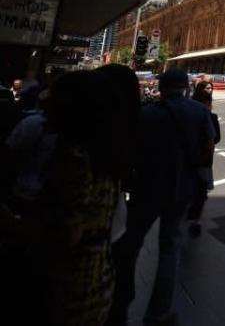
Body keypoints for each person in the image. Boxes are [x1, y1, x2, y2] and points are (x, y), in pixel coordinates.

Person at [4, 70, 134, 326]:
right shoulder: (105, 151)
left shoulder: (76, 159)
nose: (47, 105)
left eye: (54, 100)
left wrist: (12, 224)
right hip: (95, 281)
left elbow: (65, 232)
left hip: (66, 288)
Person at [111, 68, 215, 326]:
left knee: (130, 246)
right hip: (181, 189)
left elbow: (129, 152)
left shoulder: (145, 114)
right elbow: (208, 150)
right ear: (185, 87)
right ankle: (158, 313)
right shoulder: (200, 112)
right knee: (170, 248)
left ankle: (119, 304)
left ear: (162, 87)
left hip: (146, 188)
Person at [187, 80, 221, 236]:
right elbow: (215, 139)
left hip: (193, 159)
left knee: (196, 189)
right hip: (203, 160)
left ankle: (192, 216)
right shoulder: (210, 117)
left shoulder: (189, 114)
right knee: (200, 189)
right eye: (207, 88)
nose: (210, 90)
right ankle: (195, 219)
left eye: (211, 88)